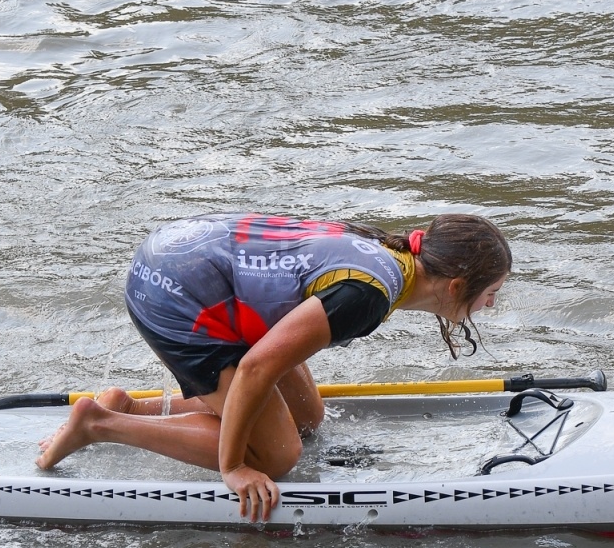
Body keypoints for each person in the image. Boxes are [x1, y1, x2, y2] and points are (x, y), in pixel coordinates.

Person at [36, 213, 512, 520]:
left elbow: (270, 344)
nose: (490, 306)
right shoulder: (367, 295)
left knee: (307, 418)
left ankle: (133, 409)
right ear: (456, 286)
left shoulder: (388, 257)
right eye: (491, 294)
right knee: (278, 456)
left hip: (182, 257)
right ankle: (101, 423)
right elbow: (256, 369)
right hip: (175, 293)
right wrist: (234, 466)